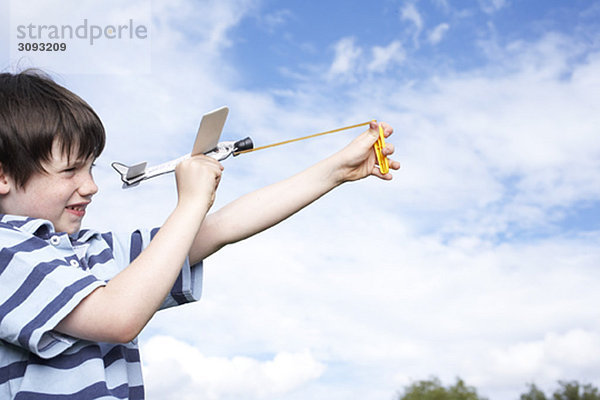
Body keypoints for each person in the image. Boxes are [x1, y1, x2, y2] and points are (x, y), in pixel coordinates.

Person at [0, 70, 400, 399]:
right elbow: (116, 318)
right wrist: (189, 205)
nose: (90, 186)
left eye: (91, 169)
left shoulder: (91, 252)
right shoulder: (7, 253)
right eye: (70, 171)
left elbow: (222, 227)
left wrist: (334, 171)